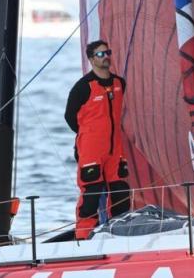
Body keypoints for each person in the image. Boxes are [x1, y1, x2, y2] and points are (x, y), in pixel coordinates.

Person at [64, 40, 130, 240]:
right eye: (100, 54)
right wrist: (89, 134)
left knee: (120, 190)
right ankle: (83, 237)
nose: (105, 57)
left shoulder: (119, 83)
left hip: (115, 147)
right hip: (91, 148)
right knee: (91, 192)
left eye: (107, 52)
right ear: (92, 59)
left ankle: (120, 232)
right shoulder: (83, 87)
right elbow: (69, 116)